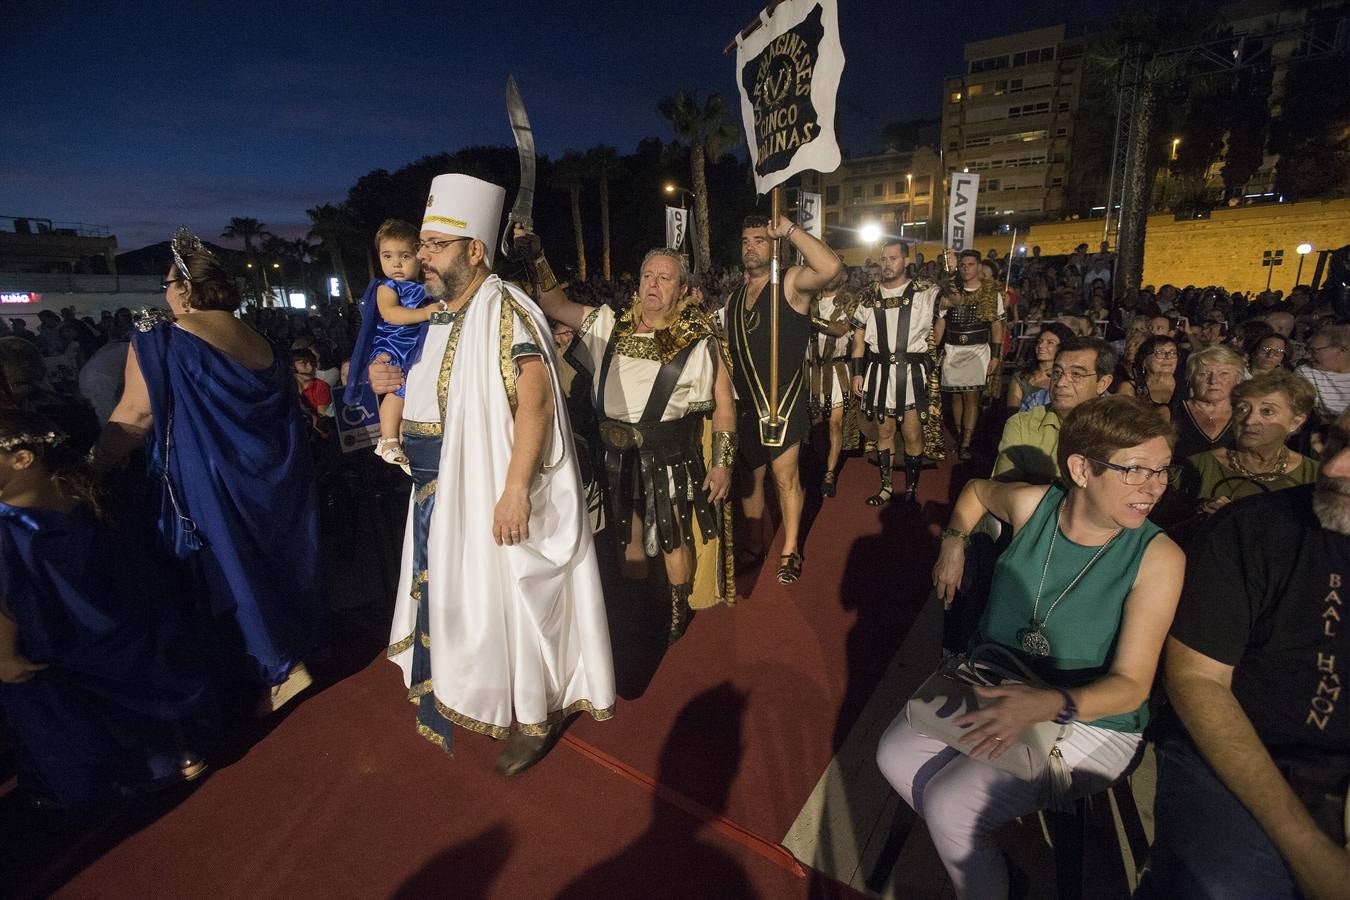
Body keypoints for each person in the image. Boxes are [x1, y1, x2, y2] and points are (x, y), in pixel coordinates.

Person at [879, 395, 1184, 900]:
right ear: (1081, 469)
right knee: (893, 755)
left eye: (1162, 470)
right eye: (1134, 470)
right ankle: (999, 865)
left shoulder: (1157, 556)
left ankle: (990, 877)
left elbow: (1131, 688)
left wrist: (1045, 704)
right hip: (999, 677)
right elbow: (976, 492)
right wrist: (953, 539)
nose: (1153, 487)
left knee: (954, 804)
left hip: (1090, 717)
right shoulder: (1034, 506)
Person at [371, 174, 615, 775]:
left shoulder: (506, 309)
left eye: (436, 245)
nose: (423, 257)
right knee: (461, 603)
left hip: (487, 489)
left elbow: (535, 400)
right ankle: (472, 687)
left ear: (475, 250)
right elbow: (424, 388)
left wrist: (514, 491)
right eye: (422, 245)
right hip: (435, 494)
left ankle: (534, 716)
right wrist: (387, 381)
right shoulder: (436, 316)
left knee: (509, 601)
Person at [89, 227, 326, 717]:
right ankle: (292, 649)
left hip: (210, 476)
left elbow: (135, 415)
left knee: (231, 567)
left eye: (167, 283)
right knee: (271, 561)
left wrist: (93, 463)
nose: (165, 293)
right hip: (272, 475)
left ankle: (275, 669)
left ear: (185, 288)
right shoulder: (259, 339)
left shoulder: (162, 338)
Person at [1137, 407, 1350, 900]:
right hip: (1239, 752)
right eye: (1336, 443)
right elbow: (1197, 679)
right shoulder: (1255, 529)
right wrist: (1309, 850)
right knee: (1225, 888)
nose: (1336, 467)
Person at [0, 410, 216, 812]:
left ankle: (101, 780)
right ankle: (177, 755)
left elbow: (6, 600)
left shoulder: (10, 523)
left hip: (61, 640)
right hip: (118, 626)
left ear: (22, 458)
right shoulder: (80, 492)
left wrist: (4, 655)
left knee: (56, 700)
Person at [533, 241, 736, 643]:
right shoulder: (609, 324)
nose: (653, 284)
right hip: (614, 454)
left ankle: (678, 608)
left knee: (674, 534)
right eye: (648, 276)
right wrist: (537, 257)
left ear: (681, 289)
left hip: (669, 452)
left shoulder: (697, 339)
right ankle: (641, 604)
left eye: (665, 278)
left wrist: (722, 462)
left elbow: (725, 405)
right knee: (627, 533)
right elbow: (553, 304)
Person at [723, 214, 843, 585]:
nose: (750, 247)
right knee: (750, 479)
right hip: (746, 403)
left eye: (759, 240)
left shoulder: (790, 281)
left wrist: (789, 229)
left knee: (785, 478)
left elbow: (830, 268)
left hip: (782, 402)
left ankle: (791, 549)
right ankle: (756, 543)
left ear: (774, 245)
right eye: (746, 241)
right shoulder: (734, 297)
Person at [1156, 369, 1317, 537]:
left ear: (1295, 422)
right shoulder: (1197, 466)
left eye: (1267, 411)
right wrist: (1200, 512)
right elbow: (1162, 526)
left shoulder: (1314, 475)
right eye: (1242, 409)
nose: (1249, 420)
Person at [849, 238, 944, 506]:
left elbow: (953, 302)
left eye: (893, 258)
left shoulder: (926, 291)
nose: (887, 264)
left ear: (906, 260)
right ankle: (886, 487)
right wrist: (857, 372)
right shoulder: (868, 295)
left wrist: (951, 271)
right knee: (885, 432)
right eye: (884, 259)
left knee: (913, 433)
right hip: (879, 371)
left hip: (911, 372)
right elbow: (858, 337)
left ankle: (911, 490)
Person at [343, 219, 436, 470]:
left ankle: (401, 439)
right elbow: (390, 314)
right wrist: (425, 313)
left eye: (404, 256)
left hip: (412, 345)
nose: (396, 263)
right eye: (388, 256)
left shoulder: (423, 286)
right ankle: (387, 439)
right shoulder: (387, 287)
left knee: (408, 394)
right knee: (397, 391)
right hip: (395, 344)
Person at [992, 337, 1116, 484]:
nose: (1061, 383)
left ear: (1102, 383)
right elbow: (1001, 490)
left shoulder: (1121, 429)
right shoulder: (1022, 425)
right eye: (1057, 372)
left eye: (1076, 374)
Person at [941, 249, 1007, 459]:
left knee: (971, 396)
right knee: (956, 396)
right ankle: (960, 436)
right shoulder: (951, 290)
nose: (966, 268)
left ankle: (966, 443)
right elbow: (941, 320)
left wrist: (995, 356)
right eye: (962, 265)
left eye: (970, 264)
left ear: (978, 266)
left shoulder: (991, 293)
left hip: (977, 350)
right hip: (953, 349)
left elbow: (996, 326)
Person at [807, 265, 858, 498]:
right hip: (813, 371)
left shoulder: (849, 301)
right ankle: (822, 465)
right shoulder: (811, 301)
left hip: (837, 370)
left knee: (834, 424)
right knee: (817, 424)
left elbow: (840, 330)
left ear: (843, 276)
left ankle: (829, 473)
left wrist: (811, 320)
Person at [1172, 344, 1246, 460]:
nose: (1213, 381)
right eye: (1204, 374)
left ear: (1238, 379)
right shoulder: (1171, 413)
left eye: (1224, 374)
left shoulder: (1246, 416)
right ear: (1191, 379)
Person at [1004, 322, 1074, 413]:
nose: (1041, 346)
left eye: (1050, 343)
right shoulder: (1021, 377)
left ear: (1063, 347)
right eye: (1039, 341)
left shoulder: (1069, 378)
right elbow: (1012, 413)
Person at [1297, 323, 1350, 423]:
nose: (1306, 356)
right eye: (1307, 350)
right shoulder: (1306, 372)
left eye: (1314, 351)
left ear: (1341, 350)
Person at [1117, 335, 1181, 418]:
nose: (1168, 357)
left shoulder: (1188, 386)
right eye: (1160, 352)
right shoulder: (1129, 388)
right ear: (1144, 360)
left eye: (1173, 353)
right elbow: (1121, 423)